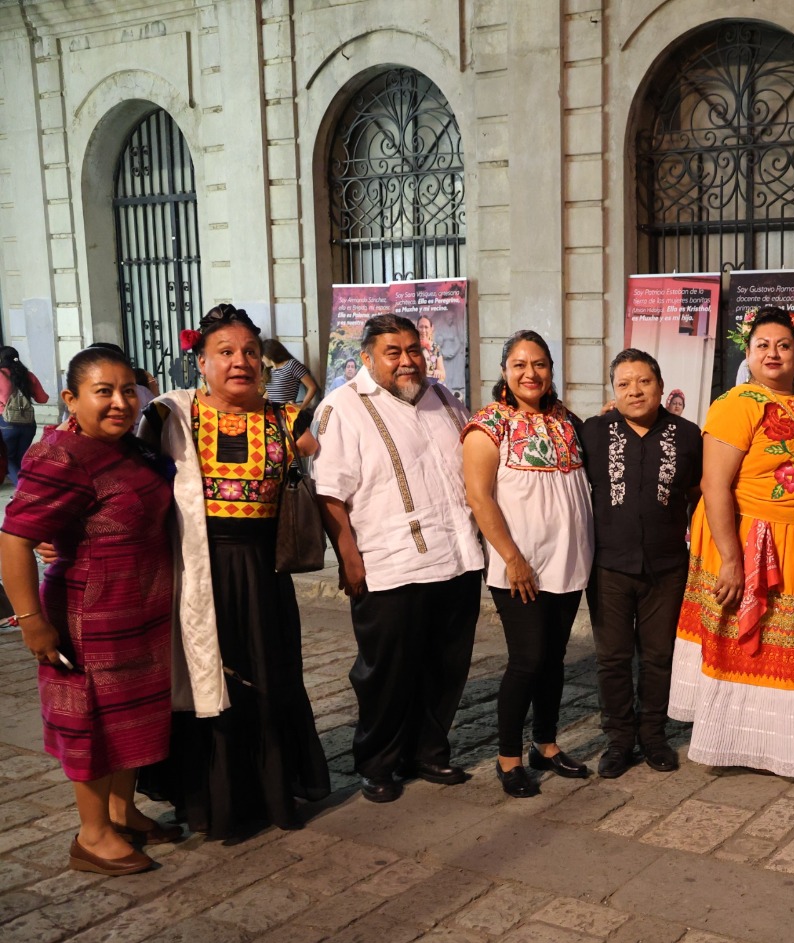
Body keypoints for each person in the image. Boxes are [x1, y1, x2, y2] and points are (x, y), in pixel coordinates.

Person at [139, 305, 330, 843]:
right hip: (196, 571)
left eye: (249, 351)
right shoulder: (170, 417)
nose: (240, 361)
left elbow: (335, 474)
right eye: (225, 352)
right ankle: (210, 800)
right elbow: (129, 480)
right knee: (205, 679)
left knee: (268, 677)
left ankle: (270, 792)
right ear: (201, 362)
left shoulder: (288, 419)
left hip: (265, 575)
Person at [0, 347, 176, 874]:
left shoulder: (128, 449)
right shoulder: (62, 457)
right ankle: (92, 836)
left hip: (138, 610)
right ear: (72, 399)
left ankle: (122, 811)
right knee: (93, 721)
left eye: (127, 390)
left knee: (128, 718)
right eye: (104, 392)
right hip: (89, 616)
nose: (120, 402)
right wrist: (32, 622)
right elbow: (14, 539)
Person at [315, 313, 484, 803]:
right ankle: (379, 763)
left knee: (446, 664)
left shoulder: (443, 398)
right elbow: (329, 493)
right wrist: (348, 558)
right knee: (385, 673)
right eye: (394, 352)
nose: (407, 361)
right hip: (388, 564)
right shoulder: (342, 407)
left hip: (456, 557)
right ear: (367, 358)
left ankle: (428, 750)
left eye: (414, 350)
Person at [668, 305, 794, 777]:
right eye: (762, 345)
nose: (773, 353)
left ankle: (780, 747)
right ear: (749, 352)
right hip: (754, 540)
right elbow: (715, 485)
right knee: (749, 645)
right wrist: (731, 560)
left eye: (783, 345)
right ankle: (733, 742)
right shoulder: (737, 403)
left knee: (790, 649)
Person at [464, 330, 594, 798]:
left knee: (554, 659)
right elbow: (479, 497)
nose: (530, 373)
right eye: (519, 364)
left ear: (551, 370)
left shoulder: (567, 420)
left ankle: (546, 743)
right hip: (520, 567)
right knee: (527, 660)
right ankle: (508, 757)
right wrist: (512, 558)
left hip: (567, 561)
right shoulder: (488, 425)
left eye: (539, 364)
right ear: (504, 371)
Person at [580, 349, 702, 778]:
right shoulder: (592, 432)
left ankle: (653, 735)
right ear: (613, 391)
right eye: (625, 383)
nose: (635, 391)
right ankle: (618, 739)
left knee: (658, 655)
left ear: (660, 386)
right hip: (608, 567)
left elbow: (698, 493)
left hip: (667, 567)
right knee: (612, 658)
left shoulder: (688, 435)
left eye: (644, 381)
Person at [0, 345, 50, 485]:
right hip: (28, 424)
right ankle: (29, 489)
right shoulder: (28, 375)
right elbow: (43, 399)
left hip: (6, 423)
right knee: (21, 459)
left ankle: (24, 489)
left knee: (7, 459)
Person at [263, 338, 320, 407]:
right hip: (271, 410)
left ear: (268, 354)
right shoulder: (270, 370)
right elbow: (270, 392)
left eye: (262, 356)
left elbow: (312, 387)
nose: (261, 360)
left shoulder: (291, 365)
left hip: (287, 411)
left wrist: (302, 406)